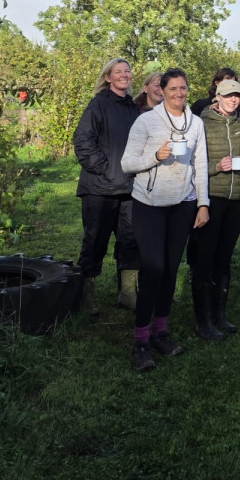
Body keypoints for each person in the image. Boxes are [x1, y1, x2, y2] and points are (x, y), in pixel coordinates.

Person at [121, 68, 210, 371]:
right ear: (162, 90)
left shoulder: (195, 124)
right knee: (154, 268)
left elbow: (200, 163)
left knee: (171, 269)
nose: (179, 94)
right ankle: (140, 341)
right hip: (149, 203)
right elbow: (127, 162)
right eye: (172, 89)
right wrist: (155, 157)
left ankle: (160, 332)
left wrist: (203, 203)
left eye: (183, 88)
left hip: (182, 204)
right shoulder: (146, 121)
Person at [72, 58, 142, 315]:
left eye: (127, 71)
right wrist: (104, 169)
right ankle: (86, 296)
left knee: (131, 240)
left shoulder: (133, 109)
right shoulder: (98, 105)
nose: (124, 75)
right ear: (108, 78)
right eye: (118, 71)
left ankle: (127, 293)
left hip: (129, 189)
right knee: (95, 241)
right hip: (99, 189)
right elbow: (82, 140)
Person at [191, 79, 240, 339]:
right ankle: (203, 320)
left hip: (237, 199)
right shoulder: (202, 123)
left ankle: (219, 315)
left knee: (224, 258)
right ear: (217, 96)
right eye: (228, 95)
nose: (233, 100)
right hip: (212, 197)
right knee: (205, 259)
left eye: (237, 96)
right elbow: (193, 162)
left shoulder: (239, 123)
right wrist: (216, 167)